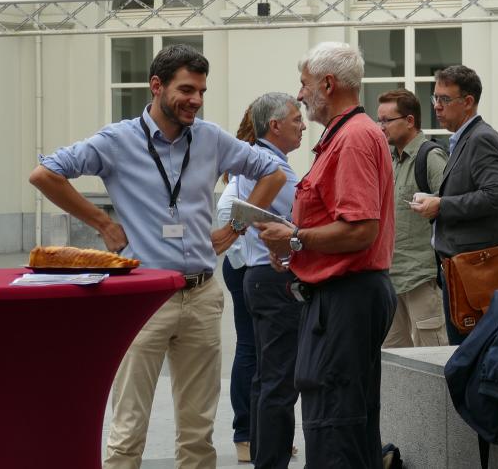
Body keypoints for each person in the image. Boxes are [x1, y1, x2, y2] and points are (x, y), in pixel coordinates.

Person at [29, 44, 287, 469]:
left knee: (198, 433)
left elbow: (272, 173)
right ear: (156, 86)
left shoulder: (210, 138)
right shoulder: (117, 140)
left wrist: (236, 227)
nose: (196, 100)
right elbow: (45, 174)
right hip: (142, 298)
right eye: (186, 90)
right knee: (128, 429)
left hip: (201, 294)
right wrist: (103, 223)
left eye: (201, 91)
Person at [255, 41, 396, 469]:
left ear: (328, 84)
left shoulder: (352, 138)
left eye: (305, 84)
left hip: (346, 298)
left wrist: (296, 238)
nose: (300, 94)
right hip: (344, 296)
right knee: (343, 419)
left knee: (335, 424)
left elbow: (360, 229)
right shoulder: (347, 134)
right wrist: (294, 247)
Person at [214, 94, 305, 467]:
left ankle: (258, 445)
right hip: (269, 275)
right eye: (297, 119)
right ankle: (265, 451)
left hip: (258, 272)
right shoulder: (269, 165)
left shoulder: (261, 161)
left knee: (266, 372)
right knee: (276, 378)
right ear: (275, 126)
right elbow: (302, 217)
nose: (303, 125)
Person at [410, 64, 498, 346]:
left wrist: (441, 205)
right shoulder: (464, 138)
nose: (436, 106)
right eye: (435, 98)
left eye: (444, 99)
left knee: (471, 352)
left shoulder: (482, 139)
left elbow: (496, 195)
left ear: (468, 102)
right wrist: (435, 199)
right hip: (459, 270)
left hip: (474, 274)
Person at [376, 88, 449, 348]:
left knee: (433, 359)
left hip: (422, 278)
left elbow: (452, 205)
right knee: (393, 360)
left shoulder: (431, 157)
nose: (381, 127)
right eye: (379, 120)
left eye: (387, 120)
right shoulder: (391, 159)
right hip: (391, 278)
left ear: (409, 121)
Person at [214, 106, 258, 463]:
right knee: (250, 349)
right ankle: (245, 434)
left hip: (246, 267)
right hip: (244, 269)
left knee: (258, 351)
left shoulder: (251, 166)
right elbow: (229, 214)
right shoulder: (247, 169)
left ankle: (257, 431)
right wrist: (246, 260)